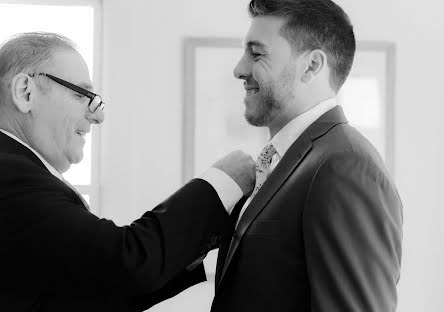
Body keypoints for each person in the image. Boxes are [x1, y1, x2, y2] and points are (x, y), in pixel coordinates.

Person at [0, 32, 255, 311]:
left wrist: (191, 250)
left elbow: (95, 289)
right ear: (25, 92)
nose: (98, 116)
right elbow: (127, 261)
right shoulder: (10, 173)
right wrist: (222, 182)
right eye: (82, 95)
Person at [211, 0, 403, 311]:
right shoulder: (285, 162)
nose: (239, 69)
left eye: (256, 53)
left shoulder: (345, 166)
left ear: (311, 66)